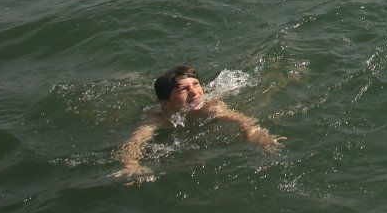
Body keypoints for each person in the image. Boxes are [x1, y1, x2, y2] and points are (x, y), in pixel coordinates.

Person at [113, 65, 280, 183]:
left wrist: (256, 134)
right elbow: (133, 142)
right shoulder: (158, 118)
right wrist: (131, 164)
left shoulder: (211, 105)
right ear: (165, 103)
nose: (195, 93)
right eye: (183, 90)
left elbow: (242, 120)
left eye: (196, 84)